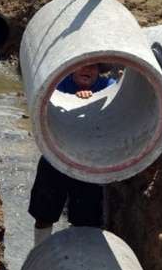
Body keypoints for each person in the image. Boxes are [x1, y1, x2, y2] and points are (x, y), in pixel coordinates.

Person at [29, 63, 115, 246]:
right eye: (82, 65)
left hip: (90, 165)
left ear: (100, 71)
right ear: (72, 68)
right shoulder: (58, 83)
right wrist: (74, 99)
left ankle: (77, 262)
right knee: (44, 214)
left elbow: (116, 103)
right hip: (55, 158)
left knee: (86, 221)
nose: (87, 70)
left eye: (93, 67)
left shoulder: (108, 86)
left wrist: (91, 100)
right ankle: (39, 255)